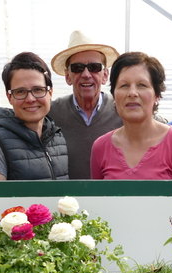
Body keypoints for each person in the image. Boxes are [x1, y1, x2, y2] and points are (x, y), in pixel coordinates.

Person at [90, 52, 172, 180]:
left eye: (142, 85)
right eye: (124, 85)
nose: (132, 93)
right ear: (114, 95)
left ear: (157, 95)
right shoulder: (101, 147)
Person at [0, 52, 68, 180]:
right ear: (9, 97)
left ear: (50, 92)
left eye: (38, 90)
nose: (30, 99)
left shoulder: (57, 137)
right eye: (20, 92)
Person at [50, 30, 123, 179]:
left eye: (94, 67)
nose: (86, 74)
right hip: (66, 194)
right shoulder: (51, 113)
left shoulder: (122, 110)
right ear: (68, 76)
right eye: (77, 68)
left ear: (105, 75)